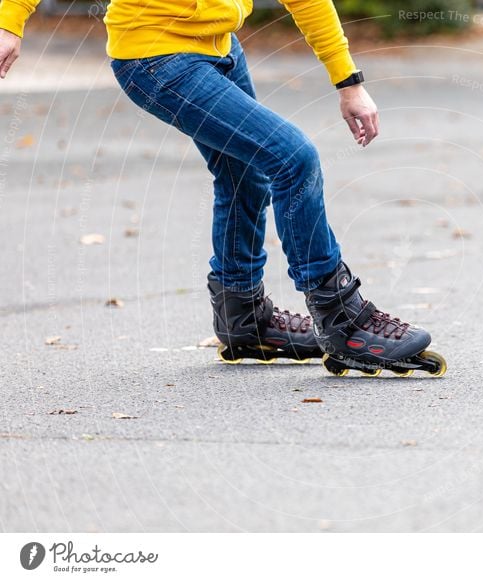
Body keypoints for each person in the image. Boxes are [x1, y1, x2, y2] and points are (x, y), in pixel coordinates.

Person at [0, 0, 445, 376]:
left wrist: (348, 81)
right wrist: (8, 21)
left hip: (221, 48)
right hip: (155, 58)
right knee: (293, 157)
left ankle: (245, 319)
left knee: (244, 174)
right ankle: (342, 320)